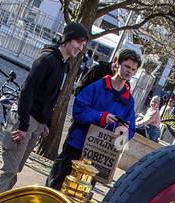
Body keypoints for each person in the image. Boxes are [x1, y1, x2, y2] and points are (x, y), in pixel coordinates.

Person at [0, 21, 89, 195]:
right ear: (67, 40)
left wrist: (47, 123)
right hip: (26, 119)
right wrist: (22, 125)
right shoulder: (47, 60)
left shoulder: (64, 65)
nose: (80, 48)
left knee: (16, 170)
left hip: (38, 123)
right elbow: (27, 91)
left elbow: (53, 96)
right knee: (9, 170)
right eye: (78, 42)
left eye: (83, 45)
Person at [47, 46, 139, 190]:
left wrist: (124, 133)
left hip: (100, 151)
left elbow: (130, 127)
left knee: (85, 190)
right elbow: (78, 109)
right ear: (118, 64)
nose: (129, 71)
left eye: (133, 69)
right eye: (127, 66)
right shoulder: (98, 86)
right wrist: (100, 117)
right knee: (59, 182)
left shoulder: (129, 100)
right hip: (77, 144)